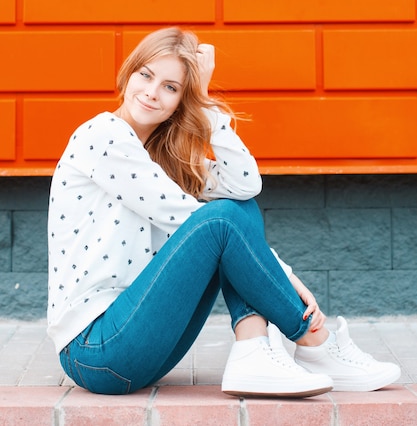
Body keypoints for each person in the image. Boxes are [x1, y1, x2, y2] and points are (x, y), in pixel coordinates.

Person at [47, 27, 400, 397]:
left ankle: (253, 348)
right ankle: (317, 342)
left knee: (237, 208)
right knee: (221, 221)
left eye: (171, 87)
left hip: (142, 344)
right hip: (95, 350)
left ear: (182, 100)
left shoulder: (165, 159)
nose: (151, 92)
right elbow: (194, 219)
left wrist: (204, 104)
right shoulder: (102, 135)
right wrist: (285, 275)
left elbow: (246, 184)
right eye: (146, 75)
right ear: (129, 72)